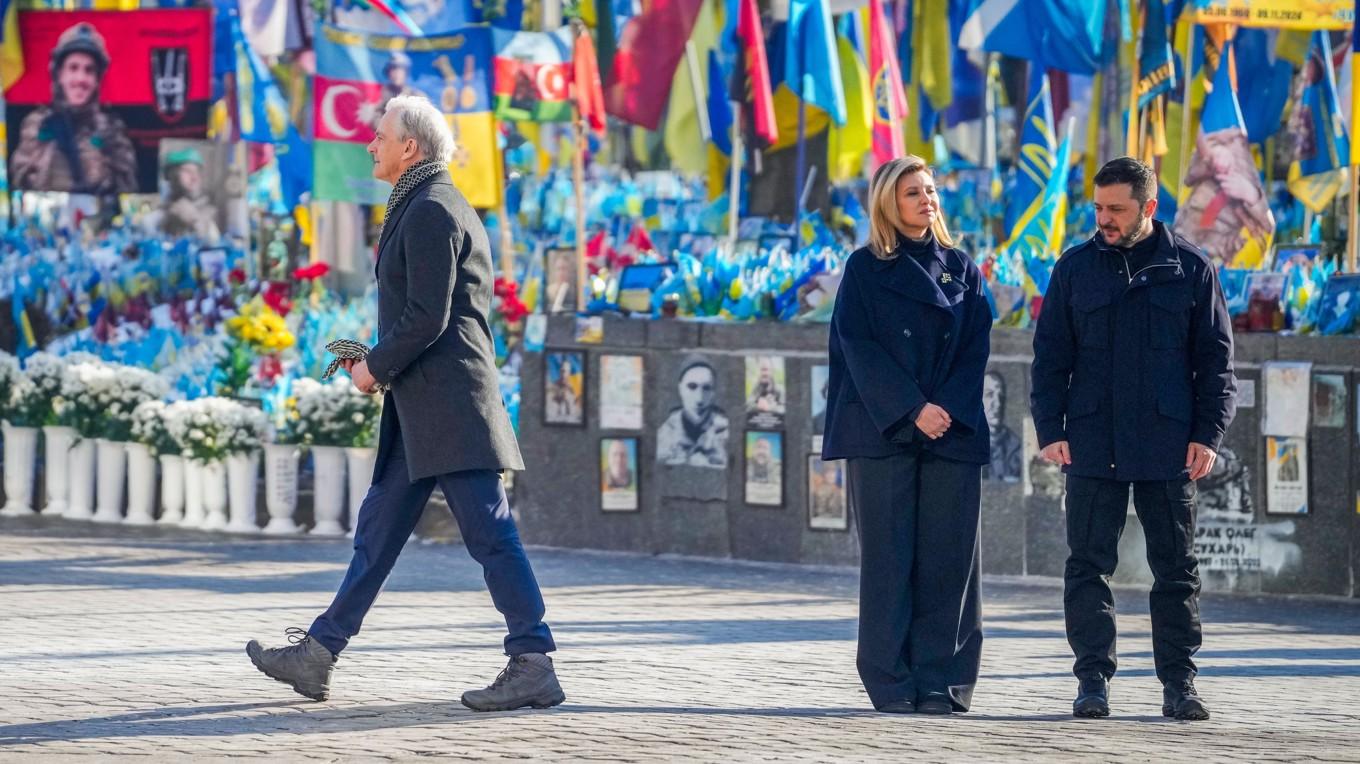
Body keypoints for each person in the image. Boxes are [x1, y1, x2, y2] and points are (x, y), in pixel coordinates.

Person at [247, 95, 564, 713]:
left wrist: (371, 367)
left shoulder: (432, 210)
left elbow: (427, 316)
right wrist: (379, 363)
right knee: (378, 532)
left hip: (450, 405)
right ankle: (318, 654)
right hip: (425, 406)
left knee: (492, 536)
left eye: (381, 135)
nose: (371, 144)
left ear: (410, 147)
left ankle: (533, 660)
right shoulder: (424, 203)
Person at [1031, 157, 1236, 722]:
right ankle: (1092, 680)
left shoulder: (1189, 268)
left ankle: (1179, 684)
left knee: (1175, 569)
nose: (1104, 219)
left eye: (1115, 209)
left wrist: (1207, 434)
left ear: (1148, 208)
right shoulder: (1075, 268)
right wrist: (1051, 431)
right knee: (1087, 566)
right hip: (1092, 442)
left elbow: (1216, 365)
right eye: (1098, 208)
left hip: (1167, 446)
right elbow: (1049, 360)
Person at [821, 155, 991, 715]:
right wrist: (911, 408)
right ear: (888, 203)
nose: (926, 200)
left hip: (952, 428)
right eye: (913, 192)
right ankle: (891, 681)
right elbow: (858, 348)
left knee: (950, 561)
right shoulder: (865, 269)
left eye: (930, 190)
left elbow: (975, 347)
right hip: (884, 430)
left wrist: (943, 407)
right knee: (889, 561)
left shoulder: (962, 268)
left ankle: (943, 682)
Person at [10, 22, 137, 195]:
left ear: (97, 80)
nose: (80, 78)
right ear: (59, 74)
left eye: (89, 70)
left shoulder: (111, 128)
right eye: (73, 68)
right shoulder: (37, 123)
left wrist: (95, 169)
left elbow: (128, 188)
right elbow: (18, 180)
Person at [655, 356, 730, 468]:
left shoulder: (727, 432)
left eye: (706, 388)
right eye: (692, 386)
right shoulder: (664, 434)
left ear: (713, 392)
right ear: (680, 388)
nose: (699, 398)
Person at [147, 147, 221, 242]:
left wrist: (194, 221)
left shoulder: (212, 212)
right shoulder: (154, 218)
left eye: (197, 172)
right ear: (170, 175)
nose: (194, 178)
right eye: (187, 171)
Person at [982, 371, 1022, 482]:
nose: (998, 403)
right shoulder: (964, 441)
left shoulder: (1015, 446)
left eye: (1001, 396)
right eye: (989, 395)